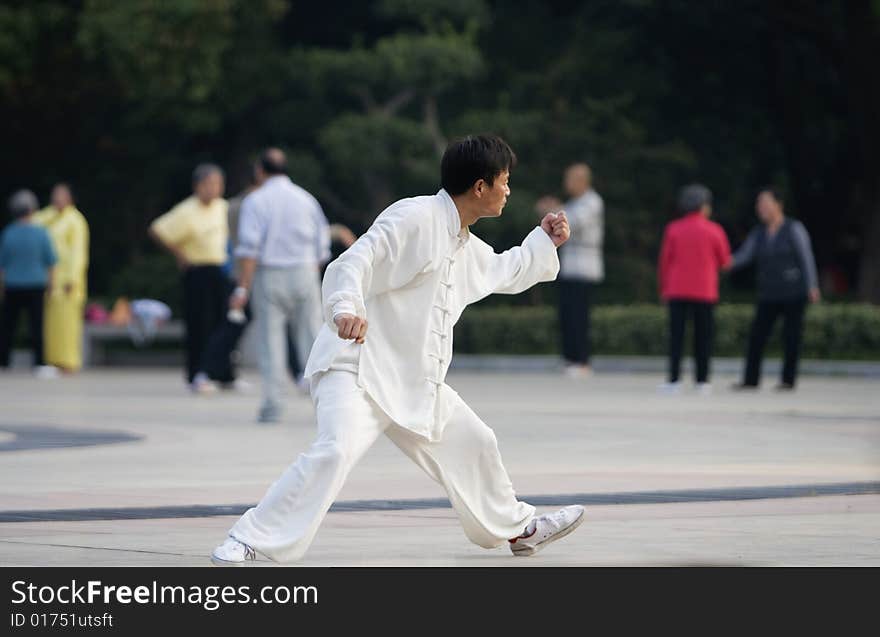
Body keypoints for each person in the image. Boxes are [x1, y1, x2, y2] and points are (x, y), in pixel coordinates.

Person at [211, 134, 584, 566]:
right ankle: (251, 540)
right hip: (358, 367)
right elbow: (354, 261)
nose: (508, 190)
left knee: (475, 440)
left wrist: (543, 243)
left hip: (414, 383)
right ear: (480, 187)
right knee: (335, 449)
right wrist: (346, 308)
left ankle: (520, 529)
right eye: (504, 181)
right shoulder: (416, 217)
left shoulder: (463, 244)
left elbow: (505, 268)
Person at [230, 148, 331, 424]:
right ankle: (324, 405)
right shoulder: (305, 199)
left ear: (260, 171)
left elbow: (249, 248)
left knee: (271, 342)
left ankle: (273, 407)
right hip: (305, 272)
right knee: (312, 339)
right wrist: (311, 269)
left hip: (269, 274)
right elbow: (322, 244)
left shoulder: (256, 200)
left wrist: (242, 288)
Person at [729, 187, 820, 390]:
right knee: (757, 335)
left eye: (764, 203)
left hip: (793, 292)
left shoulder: (793, 228)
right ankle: (750, 379)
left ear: (778, 205)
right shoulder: (758, 233)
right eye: (759, 204)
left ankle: (788, 380)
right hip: (768, 292)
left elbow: (806, 257)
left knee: (791, 336)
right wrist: (724, 262)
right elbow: (744, 255)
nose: (760, 208)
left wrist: (812, 285)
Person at [149, 164, 229, 391]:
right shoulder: (186, 209)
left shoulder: (223, 207)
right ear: (198, 186)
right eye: (209, 184)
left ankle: (221, 373)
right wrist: (180, 254)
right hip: (197, 270)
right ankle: (196, 373)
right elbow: (157, 229)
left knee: (223, 323)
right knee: (199, 323)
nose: (214, 189)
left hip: (221, 269)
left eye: (217, 184)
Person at [657, 184, 731, 394]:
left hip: (677, 289)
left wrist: (664, 288)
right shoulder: (714, 230)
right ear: (704, 207)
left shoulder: (673, 229)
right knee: (703, 337)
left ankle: (673, 380)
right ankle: (702, 381)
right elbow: (724, 262)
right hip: (705, 291)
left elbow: (665, 262)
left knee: (676, 337)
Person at [537, 163, 604, 377]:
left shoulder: (592, 202)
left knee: (579, 317)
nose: (566, 184)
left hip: (584, 267)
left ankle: (582, 361)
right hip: (569, 266)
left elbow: (572, 223)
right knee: (566, 315)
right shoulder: (575, 202)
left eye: (570, 179)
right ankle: (569, 358)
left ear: (582, 181)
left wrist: (552, 210)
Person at [33, 183, 89, 373]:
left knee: (67, 324)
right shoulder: (47, 216)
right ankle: (50, 361)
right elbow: (32, 222)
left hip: (67, 281)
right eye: (55, 194)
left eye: (62, 195)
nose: (57, 198)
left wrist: (72, 279)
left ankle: (68, 362)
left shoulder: (75, 220)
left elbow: (78, 253)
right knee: (50, 324)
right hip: (48, 278)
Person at [0, 190, 57, 376]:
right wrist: (51, 285)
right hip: (36, 285)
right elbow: (51, 263)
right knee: (37, 326)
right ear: (32, 210)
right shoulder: (41, 233)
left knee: (8, 326)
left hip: (12, 285)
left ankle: (4, 361)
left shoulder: (8, 233)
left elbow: (2, 265)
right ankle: (39, 363)